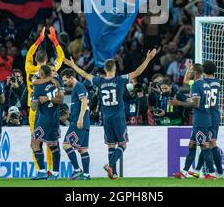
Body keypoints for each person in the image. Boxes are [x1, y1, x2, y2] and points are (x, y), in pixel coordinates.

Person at [65, 48, 157, 179]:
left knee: (111, 145)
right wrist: (148, 59)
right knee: (123, 145)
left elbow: (85, 74)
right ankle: (110, 165)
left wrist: (73, 65)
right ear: (114, 68)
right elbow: (138, 72)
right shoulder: (120, 80)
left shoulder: (100, 81)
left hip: (106, 117)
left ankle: (113, 173)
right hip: (118, 117)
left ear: (105, 69)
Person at [25, 26, 65, 175]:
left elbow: (28, 56)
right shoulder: (52, 70)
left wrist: (38, 41)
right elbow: (61, 57)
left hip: (33, 108)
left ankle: (39, 169)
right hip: (49, 109)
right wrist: (55, 41)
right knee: (50, 141)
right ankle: (50, 169)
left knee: (35, 141)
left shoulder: (29, 68)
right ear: (47, 60)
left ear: (36, 59)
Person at [169, 63, 216, 179]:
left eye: (190, 71)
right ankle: (184, 172)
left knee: (203, 146)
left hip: (201, 120)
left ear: (195, 73)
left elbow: (196, 103)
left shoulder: (196, 85)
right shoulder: (206, 84)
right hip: (204, 118)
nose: (188, 73)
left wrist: (179, 103)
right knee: (192, 145)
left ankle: (212, 173)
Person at [188, 60, 224, 178]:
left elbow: (187, 81)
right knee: (207, 143)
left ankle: (218, 171)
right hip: (215, 114)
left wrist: (189, 69)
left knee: (210, 143)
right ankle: (198, 170)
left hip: (207, 115)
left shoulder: (203, 83)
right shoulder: (217, 82)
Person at [30, 65, 64, 180]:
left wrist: (34, 100)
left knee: (34, 144)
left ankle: (42, 171)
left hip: (44, 118)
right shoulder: (57, 82)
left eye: (39, 72)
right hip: (54, 118)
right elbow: (61, 100)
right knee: (53, 145)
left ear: (42, 74)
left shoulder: (38, 87)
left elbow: (33, 107)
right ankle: (55, 173)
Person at [61, 68, 91, 180]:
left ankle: (77, 170)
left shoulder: (78, 86)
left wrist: (80, 119)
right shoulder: (77, 87)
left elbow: (84, 101)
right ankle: (86, 175)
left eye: (65, 80)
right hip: (82, 121)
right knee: (82, 149)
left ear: (71, 77)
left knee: (66, 145)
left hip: (79, 122)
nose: (64, 83)